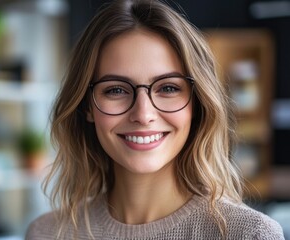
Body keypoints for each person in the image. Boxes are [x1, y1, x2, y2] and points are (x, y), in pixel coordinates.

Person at [26, 0, 285, 239]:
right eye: (116, 89)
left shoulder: (250, 235)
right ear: (87, 107)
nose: (143, 114)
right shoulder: (47, 233)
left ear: (197, 103)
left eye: (168, 88)